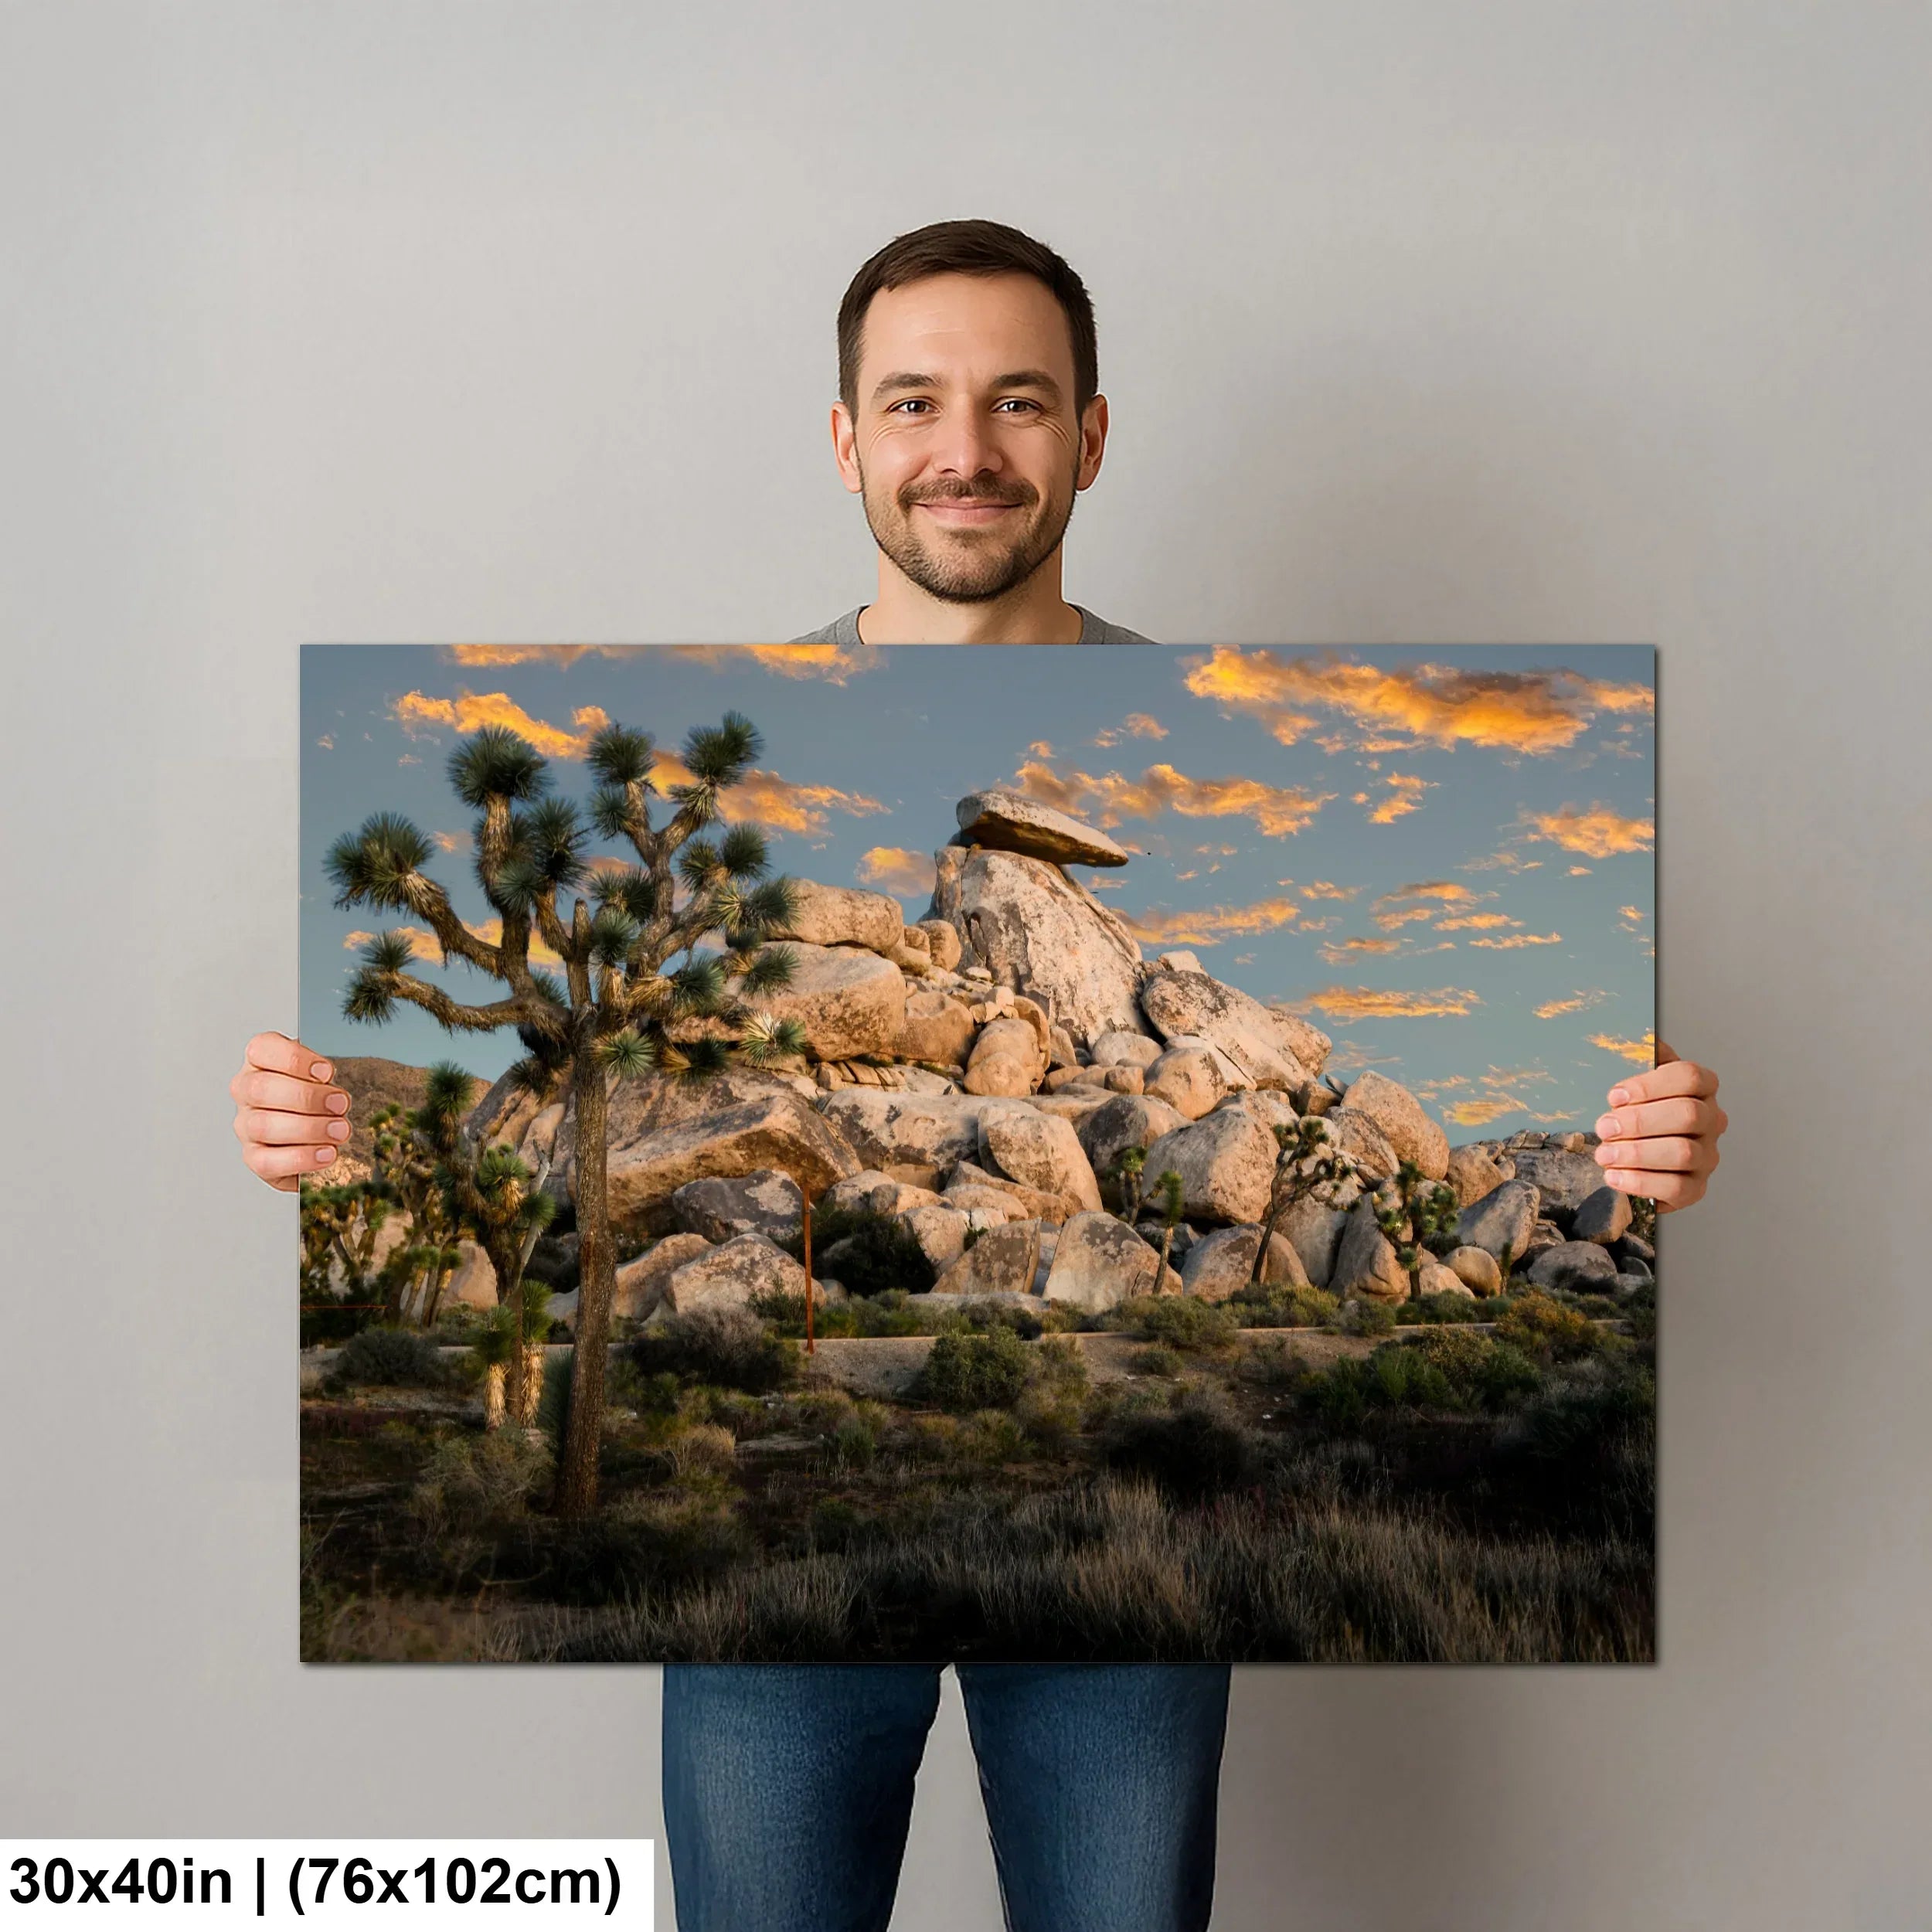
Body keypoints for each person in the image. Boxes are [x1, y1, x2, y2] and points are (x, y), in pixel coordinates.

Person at [234, 219, 1728, 1932]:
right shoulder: (705, 757)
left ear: (1088, 437)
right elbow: (562, 1078)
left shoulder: (1177, 748)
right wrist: (338, 1132)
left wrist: (1642, 1140)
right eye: (916, 401)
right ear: (845, 437)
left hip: (1118, 1620)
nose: (965, 449)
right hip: (763, 1606)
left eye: (1018, 402)